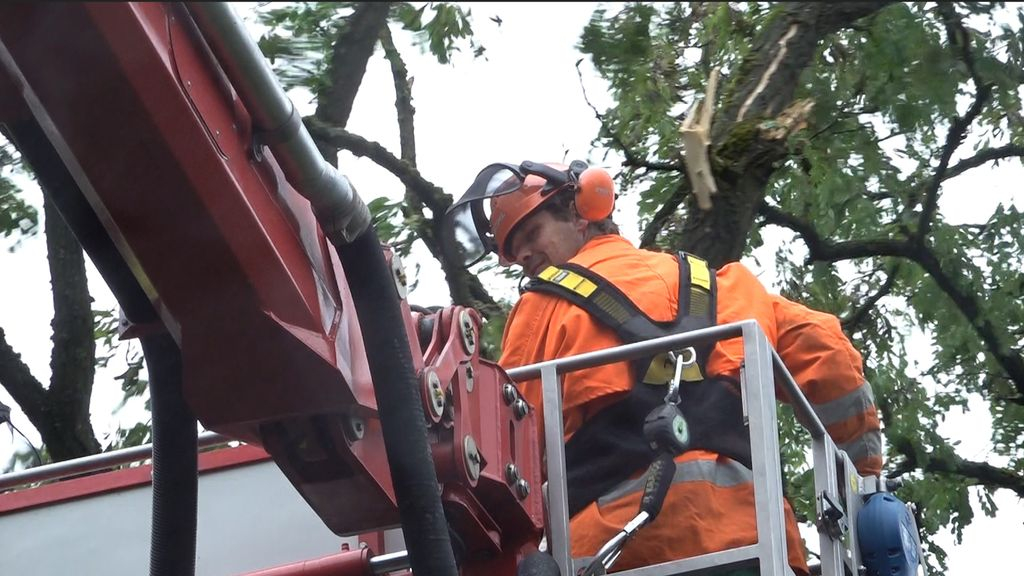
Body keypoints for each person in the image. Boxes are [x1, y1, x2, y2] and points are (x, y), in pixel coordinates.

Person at [447, 161, 883, 575]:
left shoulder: (540, 309)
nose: (525, 255)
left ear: (581, 214)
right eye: (515, 253)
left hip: (614, 551)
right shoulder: (722, 285)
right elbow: (828, 355)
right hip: (753, 539)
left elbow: (503, 446)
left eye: (532, 233)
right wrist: (865, 488)